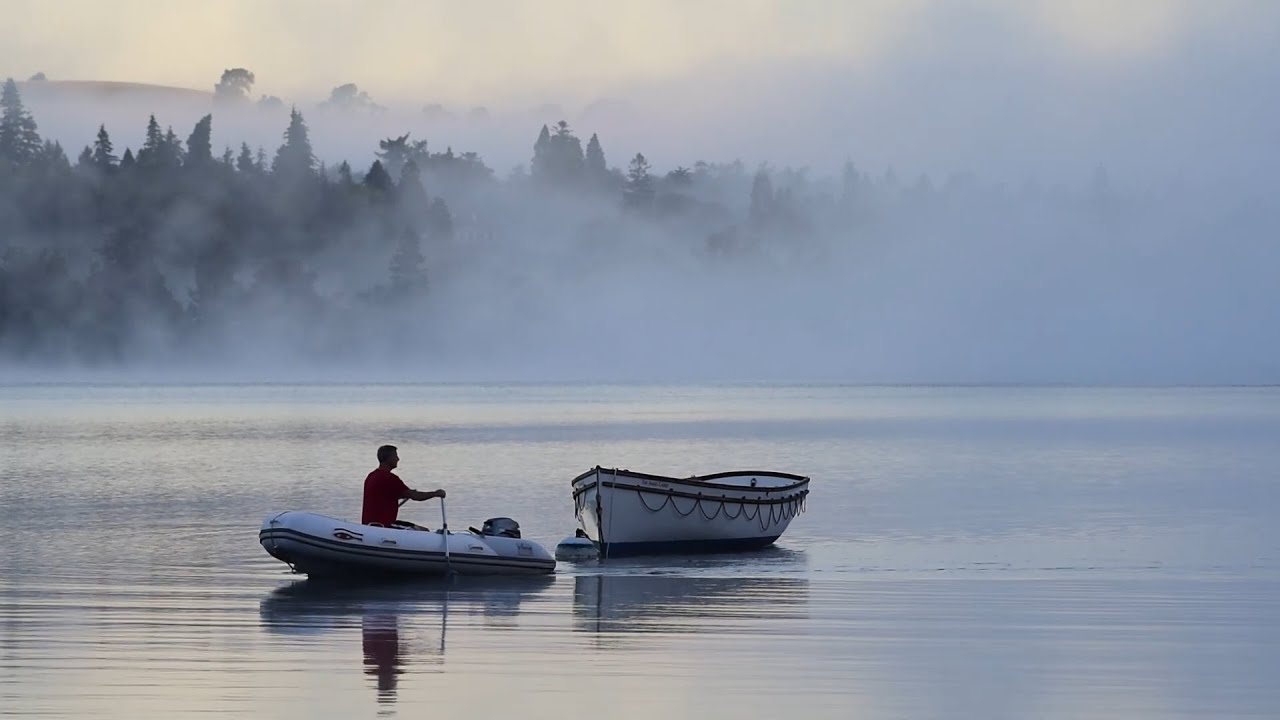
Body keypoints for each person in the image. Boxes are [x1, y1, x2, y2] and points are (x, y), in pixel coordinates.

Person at [361, 444, 445, 528]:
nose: (398, 459)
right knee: (424, 531)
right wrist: (436, 493)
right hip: (384, 526)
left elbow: (383, 495)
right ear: (388, 458)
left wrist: (404, 494)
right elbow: (416, 497)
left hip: (369, 525)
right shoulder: (390, 478)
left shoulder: (371, 476)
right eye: (395, 456)